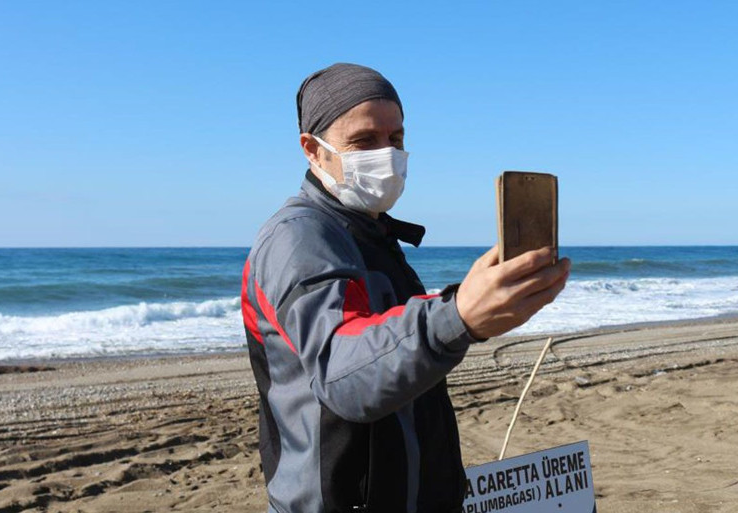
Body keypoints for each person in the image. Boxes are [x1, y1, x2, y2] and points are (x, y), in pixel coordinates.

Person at [241, 63, 570, 513]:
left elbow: (394, 354)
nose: (387, 154)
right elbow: (342, 372)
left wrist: (470, 306)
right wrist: (459, 318)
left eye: (396, 139)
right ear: (313, 151)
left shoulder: (372, 234)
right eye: (364, 141)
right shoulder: (300, 236)